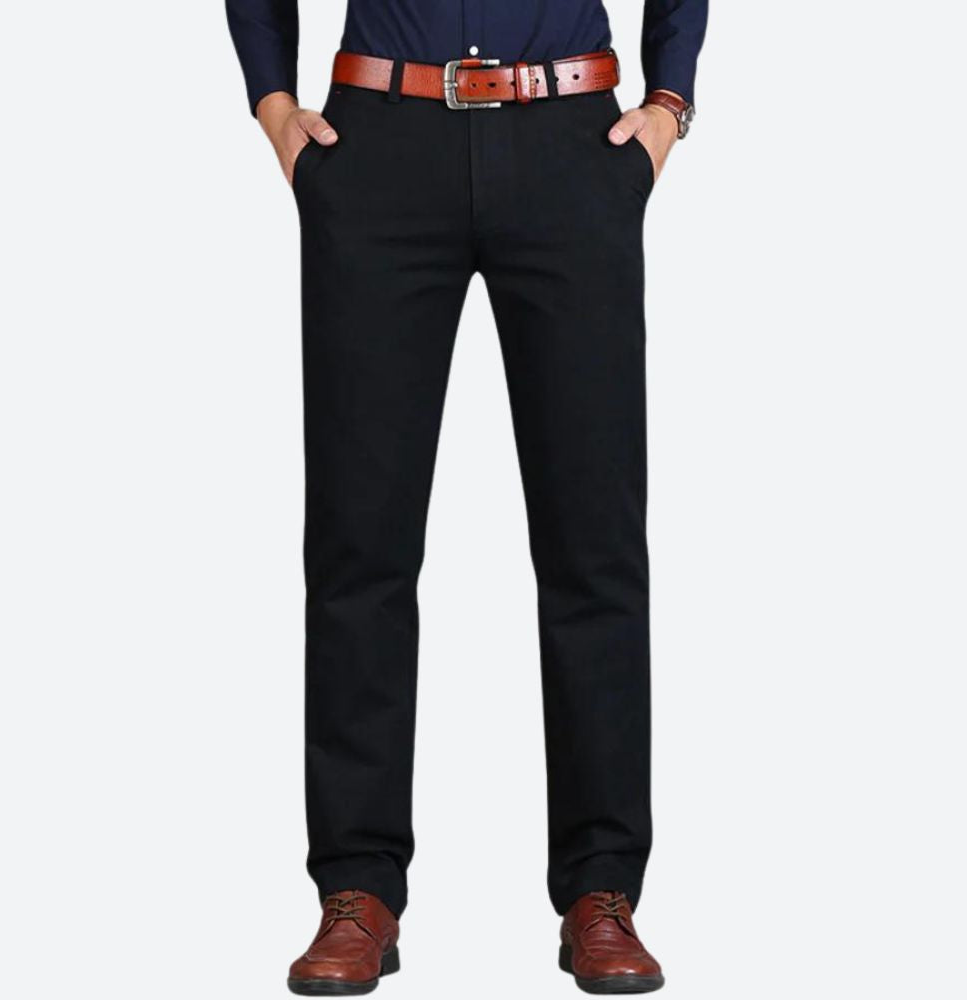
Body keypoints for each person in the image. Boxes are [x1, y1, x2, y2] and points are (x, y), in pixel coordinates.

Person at [226, 1, 707, 993]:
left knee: (594, 540)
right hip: (380, 145)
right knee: (359, 541)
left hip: (572, 143)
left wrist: (669, 102)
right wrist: (273, 105)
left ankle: (602, 888)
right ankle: (356, 888)